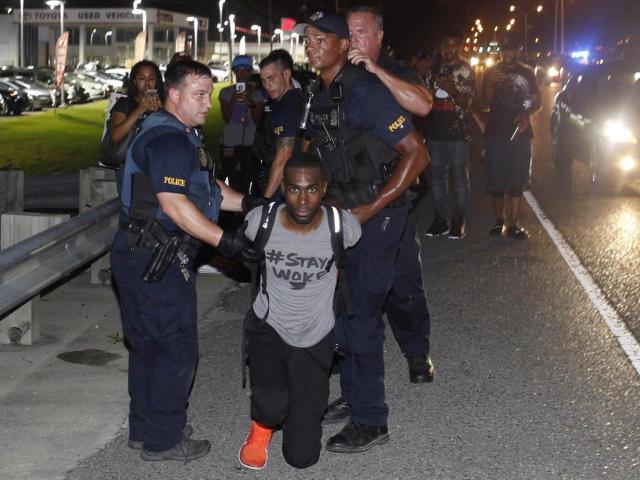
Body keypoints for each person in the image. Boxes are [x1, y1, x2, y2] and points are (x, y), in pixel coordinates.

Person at [110, 60, 263, 462]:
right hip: (156, 257)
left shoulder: (175, 133)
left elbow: (204, 187)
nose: (206, 103)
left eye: (209, 94)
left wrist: (248, 203)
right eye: (198, 94)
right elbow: (175, 205)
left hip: (138, 251)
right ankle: (164, 440)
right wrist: (226, 242)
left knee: (147, 346)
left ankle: (147, 429)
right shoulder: (168, 141)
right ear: (173, 94)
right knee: (174, 348)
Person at [296, 10, 429, 453]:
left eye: (320, 39)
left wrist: (370, 209)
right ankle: (355, 397)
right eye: (307, 39)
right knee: (345, 312)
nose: (311, 45)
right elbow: (317, 151)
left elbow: (417, 154)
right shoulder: (320, 92)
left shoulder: (365, 90)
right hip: (342, 215)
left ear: (341, 47)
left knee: (363, 314)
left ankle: (372, 419)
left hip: (378, 215)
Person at [238, 154, 362, 470]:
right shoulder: (260, 222)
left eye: (311, 189)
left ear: (323, 189)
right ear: (283, 188)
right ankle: (261, 427)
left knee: (302, 457)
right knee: (272, 404)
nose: (303, 199)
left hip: (316, 334)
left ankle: (293, 409)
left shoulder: (342, 227)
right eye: (294, 189)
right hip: (270, 326)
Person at [342, 4, 434, 388]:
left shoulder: (394, 71)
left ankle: (417, 353)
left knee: (403, 285)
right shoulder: (338, 77)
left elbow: (423, 104)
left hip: (392, 195)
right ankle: (355, 370)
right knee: (352, 289)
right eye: (348, 33)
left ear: (378, 36)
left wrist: (374, 70)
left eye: (361, 32)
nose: (353, 40)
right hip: (348, 195)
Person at [482, 39, 541, 239]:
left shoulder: (527, 73)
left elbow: (536, 101)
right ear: (501, 51)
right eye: (505, 49)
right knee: (496, 180)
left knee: (518, 179)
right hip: (496, 132)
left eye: (512, 49)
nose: (508, 53)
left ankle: (514, 224)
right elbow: (485, 101)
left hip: (521, 133)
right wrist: (490, 84)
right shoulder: (492, 72)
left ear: (518, 50)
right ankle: (499, 221)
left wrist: (527, 114)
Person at [424, 29, 476, 239]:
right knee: (437, 178)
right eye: (446, 45)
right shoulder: (433, 69)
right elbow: (426, 99)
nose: (449, 49)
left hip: (458, 132)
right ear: (442, 46)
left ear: (461, 47)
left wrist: (454, 90)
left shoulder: (466, 70)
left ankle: (459, 219)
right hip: (435, 131)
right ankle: (440, 219)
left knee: (460, 178)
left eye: (454, 45)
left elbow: (468, 103)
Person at [256, 50, 306, 199]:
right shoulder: (300, 100)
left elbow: (283, 158)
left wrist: (265, 201)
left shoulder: (285, 109)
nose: (267, 85)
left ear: (286, 74)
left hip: (284, 190)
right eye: (263, 81)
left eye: (271, 78)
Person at [218, 55, 265, 193]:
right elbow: (226, 118)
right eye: (238, 70)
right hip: (230, 143)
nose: (242, 74)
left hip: (250, 143)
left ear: (250, 72)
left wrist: (250, 102)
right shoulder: (225, 93)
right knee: (230, 178)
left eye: (245, 70)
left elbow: (257, 120)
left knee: (249, 178)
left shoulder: (257, 94)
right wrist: (234, 99)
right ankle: (229, 211)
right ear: (234, 72)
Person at [109, 60, 164, 145]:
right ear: (134, 81)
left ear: (157, 81)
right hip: (130, 156)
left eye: (151, 79)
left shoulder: (165, 103)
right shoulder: (124, 103)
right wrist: (139, 110)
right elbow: (115, 136)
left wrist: (162, 111)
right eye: (142, 78)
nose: (147, 83)